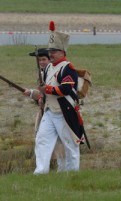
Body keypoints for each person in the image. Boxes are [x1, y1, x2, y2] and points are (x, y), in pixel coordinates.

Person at [33, 21, 83, 174]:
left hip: (63, 112)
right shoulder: (48, 67)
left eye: (54, 50)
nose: (50, 54)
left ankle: (72, 173)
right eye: (50, 50)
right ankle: (40, 172)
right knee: (42, 141)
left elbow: (66, 89)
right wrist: (40, 94)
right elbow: (46, 90)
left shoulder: (68, 67)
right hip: (50, 111)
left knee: (70, 145)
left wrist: (46, 89)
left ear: (62, 51)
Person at [23, 48, 66, 172]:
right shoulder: (43, 73)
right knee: (42, 141)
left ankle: (63, 170)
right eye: (39, 60)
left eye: (44, 59)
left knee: (61, 143)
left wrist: (38, 95)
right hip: (46, 112)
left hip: (60, 112)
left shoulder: (57, 72)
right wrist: (31, 93)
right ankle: (41, 170)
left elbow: (58, 92)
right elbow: (43, 94)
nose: (41, 62)